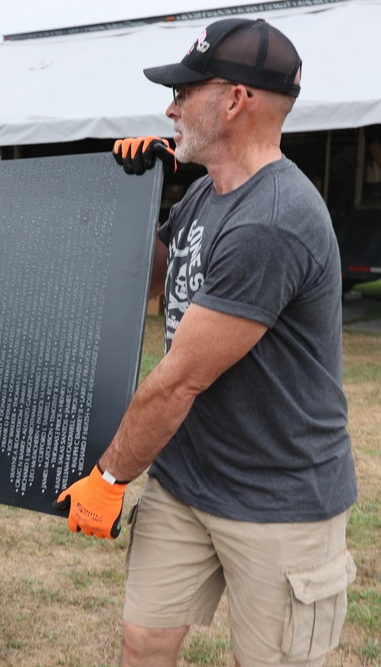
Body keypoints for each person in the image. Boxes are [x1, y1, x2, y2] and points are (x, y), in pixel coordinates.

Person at [57, 18, 358, 667]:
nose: (170, 106)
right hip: (186, 480)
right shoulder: (201, 195)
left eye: (184, 91)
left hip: (279, 501)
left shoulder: (275, 219)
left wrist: (109, 476)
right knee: (144, 643)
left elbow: (178, 380)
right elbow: (144, 278)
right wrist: (131, 191)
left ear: (233, 100)